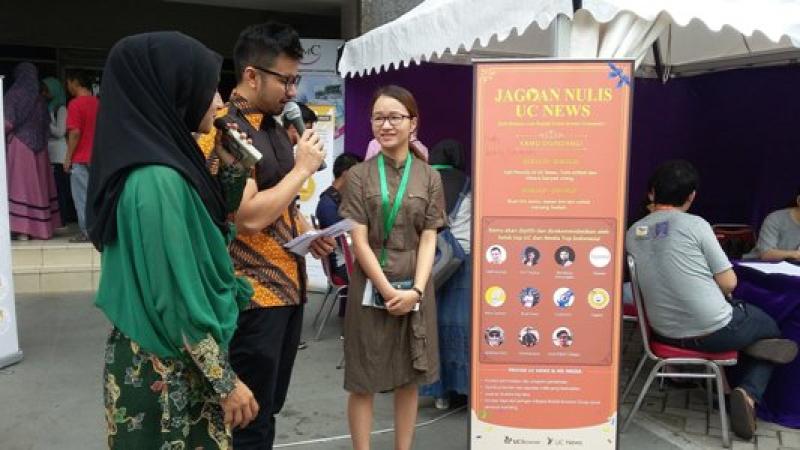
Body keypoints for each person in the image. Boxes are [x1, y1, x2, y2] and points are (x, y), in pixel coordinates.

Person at [86, 32, 258, 448]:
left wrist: (232, 171)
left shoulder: (168, 164)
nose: (219, 101)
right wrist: (226, 382)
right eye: (208, 87)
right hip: (165, 373)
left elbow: (207, 239)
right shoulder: (155, 179)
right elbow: (175, 296)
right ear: (174, 89)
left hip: (178, 360)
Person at [197, 22, 334, 449]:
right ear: (251, 75)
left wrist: (306, 232)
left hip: (288, 289)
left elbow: (279, 204)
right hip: (253, 296)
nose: (293, 92)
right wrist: (302, 169)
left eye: (296, 80)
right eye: (285, 80)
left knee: (268, 409)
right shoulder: (227, 129)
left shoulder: (274, 126)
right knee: (247, 419)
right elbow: (249, 217)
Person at [626, 160, 798, 440]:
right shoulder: (696, 225)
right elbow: (729, 283)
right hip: (712, 331)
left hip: (663, 332)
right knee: (773, 330)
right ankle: (747, 393)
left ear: (652, 192)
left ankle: (728, 390)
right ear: (691, 196)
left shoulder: (633, 233)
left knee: (751, 333)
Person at [339, 85, 446, 450]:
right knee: (363, 378)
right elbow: (358, 240)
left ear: (412, 123)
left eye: (395, 117)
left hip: (416, 283)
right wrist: (387, 290)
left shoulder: (430, 177)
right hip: (371, 285)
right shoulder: (358, 176)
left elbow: (429, 238)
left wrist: (416, 291)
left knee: (408, 377)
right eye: (379, 118)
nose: (386, 125)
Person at [420, 139, 471, 410]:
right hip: (463, 261)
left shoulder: (424, 181)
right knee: (461, 325)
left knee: (432, 324)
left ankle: (439, 393)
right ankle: (464, 389)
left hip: (429, 261)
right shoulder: (467, 183)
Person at [4, 62, 60, 240]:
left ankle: (22, 230)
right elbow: (47, 126)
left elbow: (7, 123)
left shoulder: (13, 95)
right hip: (40, 149)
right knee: (38, 188)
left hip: (20, 146)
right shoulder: (40, 99)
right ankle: (41, 229)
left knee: (21, 186)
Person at [65, 69, 99, 242]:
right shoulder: (99, 103)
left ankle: (87, 232)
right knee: (96, 196)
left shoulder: (75, 104)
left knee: (81, 197)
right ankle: (99, 229)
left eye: (68, 83)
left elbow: (75, 133)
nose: (67, 87)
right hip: (98, 158)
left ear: (75, 82)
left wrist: (68, 157)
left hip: (80, 158)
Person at [316, 152, 362, 282]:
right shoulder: (328, 204)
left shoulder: (333, 200)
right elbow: (345, 243)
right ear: (347, 174)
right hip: (344, 266)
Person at [41, 76, 76, 225]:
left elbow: (61, 132)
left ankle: (64, 219)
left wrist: (46, 123)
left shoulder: (61, 109)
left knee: (61, 189)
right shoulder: (49, 107)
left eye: (47, 91)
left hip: (60, 155)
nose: (44, 94)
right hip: (51, 155)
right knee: (56, 188)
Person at [753, 187, 800, 261]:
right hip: (758, 264)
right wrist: (795, 254)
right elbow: (766, 254)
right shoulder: (775, 219)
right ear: (799, 200)